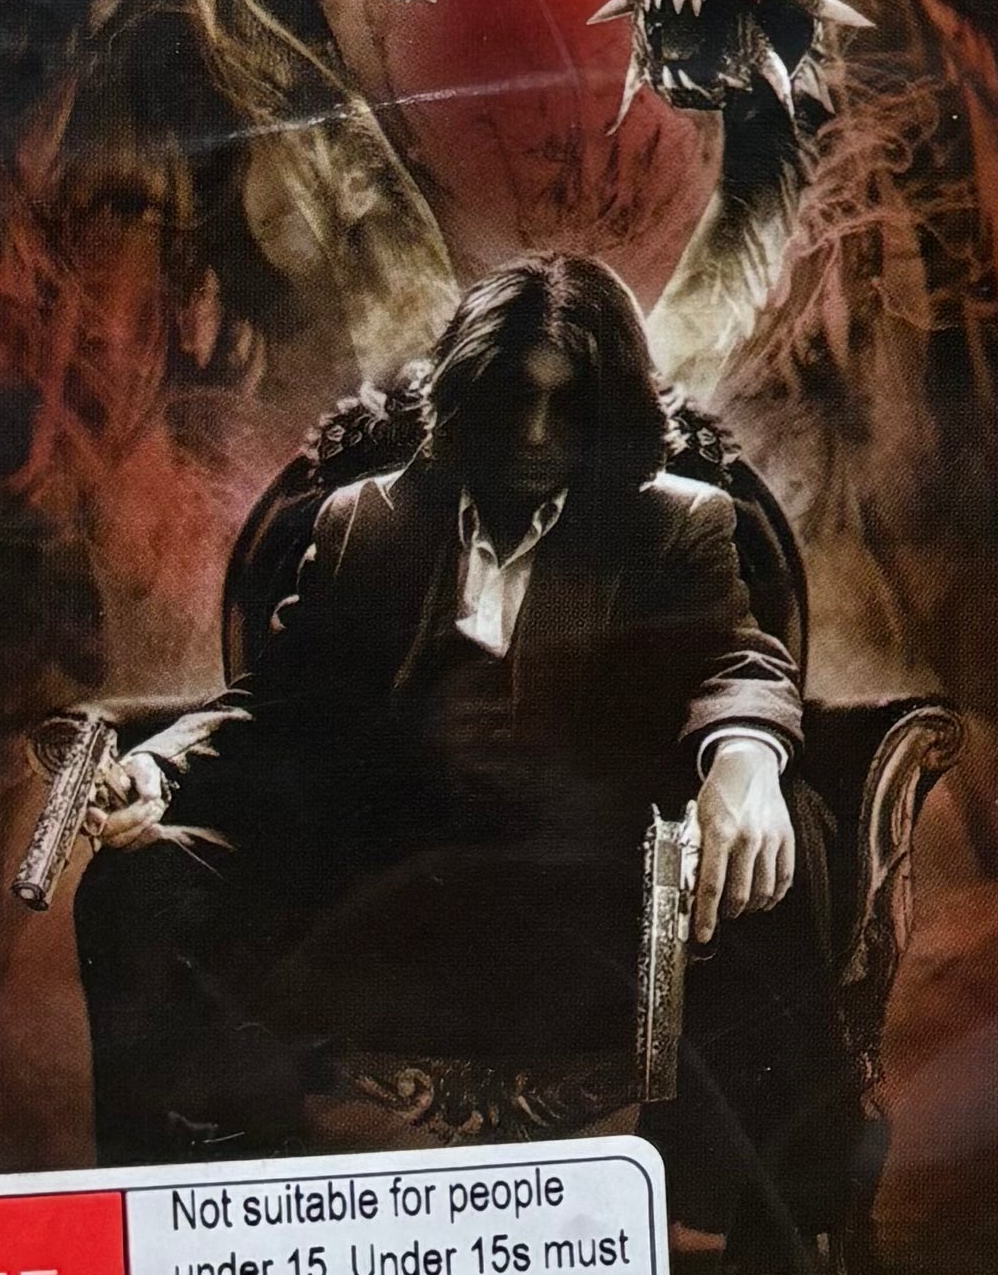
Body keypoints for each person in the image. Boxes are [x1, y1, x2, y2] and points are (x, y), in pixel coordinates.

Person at [73, 252, 811, 1153]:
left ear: (608, 410)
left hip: (574, 911)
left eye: (567, 405)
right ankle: (198, 1187)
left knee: (786, 849)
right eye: (511, 399)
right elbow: (278, 699)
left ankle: (749, 1210)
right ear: (466, 397)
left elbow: (736, 658)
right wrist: (161, 766)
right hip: (379, 895)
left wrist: (746, 757)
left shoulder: (670, 525)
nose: (535, 435)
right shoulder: (367, 522)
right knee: (138, 881)